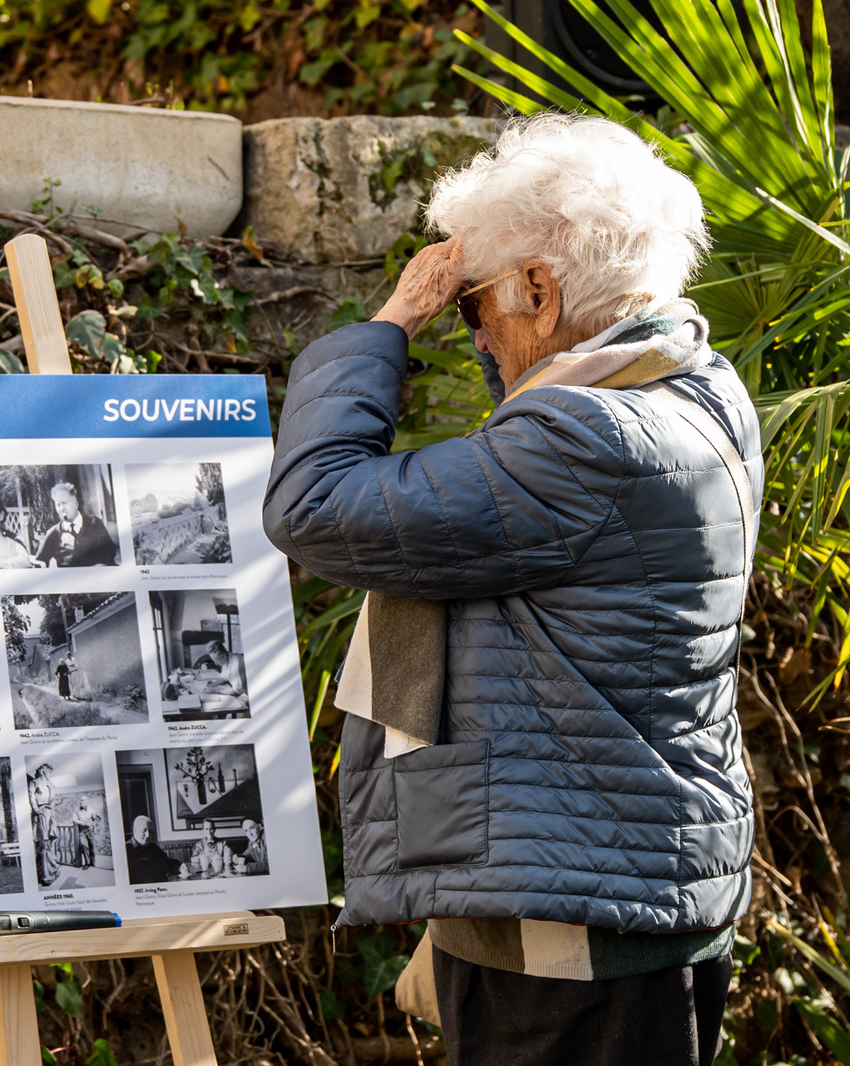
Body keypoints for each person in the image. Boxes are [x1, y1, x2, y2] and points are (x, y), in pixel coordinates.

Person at [263, 114, 760, 1066]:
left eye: (472, 306)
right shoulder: (698, 390)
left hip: (571, 926)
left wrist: (389, 324)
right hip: (628, 881)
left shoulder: (583, 443)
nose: (478, 337)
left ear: (538, 286)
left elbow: (317, 504)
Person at [35, 481, 118, 567]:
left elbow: (110, 553)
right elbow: (40, 560)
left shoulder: (94, 523)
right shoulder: (54, 533)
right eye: (58, 504)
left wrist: (78, 546)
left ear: (75, 503)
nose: (61, 508)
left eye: (64, 503)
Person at [123, 815, 178, 884]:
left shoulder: (153, 847)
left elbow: (168, 862)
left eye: (150, 831)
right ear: (135, 830)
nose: (148, 835)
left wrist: (180, 867)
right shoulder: (125, 850)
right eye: (144, 830)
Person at [29, 764, 58, 886]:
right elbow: (31, 796)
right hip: (41, 813)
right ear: (43, 770)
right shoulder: (34, 782)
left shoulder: (48, 786)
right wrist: (36, 809)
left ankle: (52, 869)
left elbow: (52, 800)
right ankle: (45, 876)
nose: (49, 774)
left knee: (50, 841)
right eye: (48, 771)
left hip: (49, 813)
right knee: (43, 842)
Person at [73, 798, 98, 869]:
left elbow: (95, 819)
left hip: (91, 830)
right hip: (82, 831)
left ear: (87, 802)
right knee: (83, 845)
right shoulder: (76, 810)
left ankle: (92, 863)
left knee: (92, 847)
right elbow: (74, 819)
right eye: (80, 800)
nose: (81, 802)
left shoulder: (91, 809)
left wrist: (92, 825)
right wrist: (84, 823)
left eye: (83, 800)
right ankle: (87, 863)